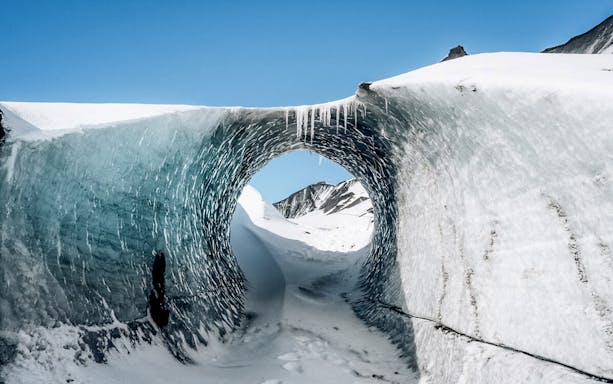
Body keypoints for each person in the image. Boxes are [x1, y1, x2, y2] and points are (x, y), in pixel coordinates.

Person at [149, 251, 170, 328]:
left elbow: (166, 311)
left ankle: (159, 257)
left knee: (158, 275)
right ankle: (159, 257)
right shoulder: (155, 316)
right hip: (158, 293)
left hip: (158, 293)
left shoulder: (157, 315)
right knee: (158, 275)